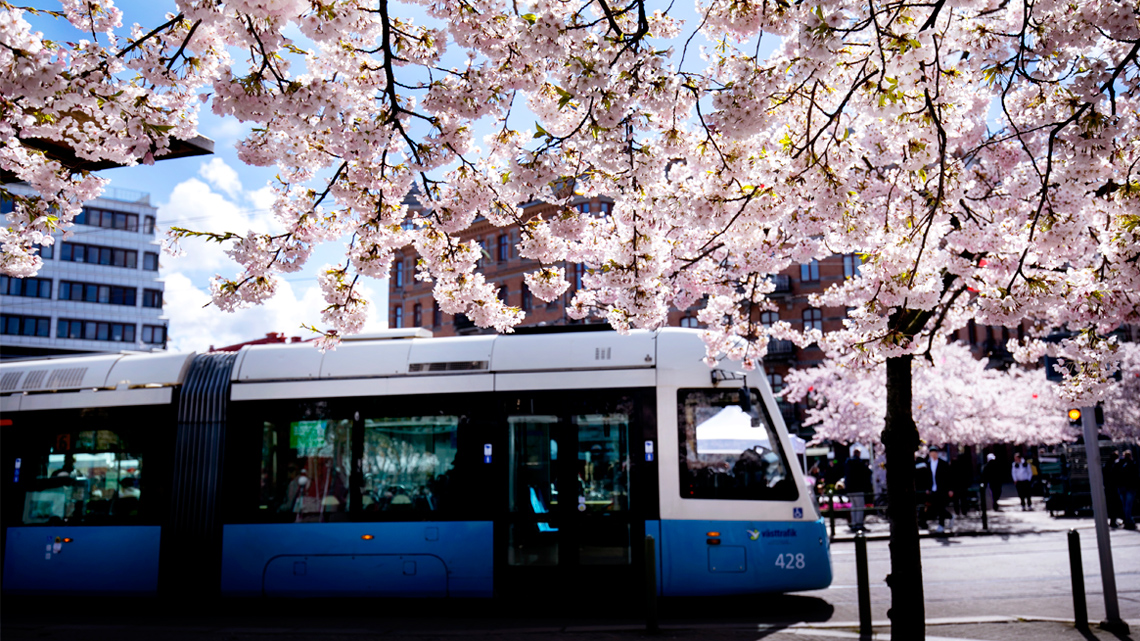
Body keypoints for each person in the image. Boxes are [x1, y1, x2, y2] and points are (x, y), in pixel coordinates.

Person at [917, 446, 954, 533]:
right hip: (933, 489)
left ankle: (941, 525)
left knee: (941, 506)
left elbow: (949, 477)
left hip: (942, 489)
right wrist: (927, 488)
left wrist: (950, 489)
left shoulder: (943, 464)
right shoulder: (928, 464)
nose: (933, 455)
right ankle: (950, 516)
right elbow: (927, 478)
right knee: (935, 507)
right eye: (931, 453)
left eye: (935, 453)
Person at [845, 449, 873, 531]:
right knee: (860, 507)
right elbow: (867, 472)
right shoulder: (860, 463)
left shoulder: (848, 463)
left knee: (853, 507)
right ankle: (859, 524)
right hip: (858, 488)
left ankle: (853, 524)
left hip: (850, 489)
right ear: (858, 454)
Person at [1114, 450, 1138, 530]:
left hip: (1121, 487)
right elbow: (1135, 476)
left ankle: (1127, 519)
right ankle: (1128, 521)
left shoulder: (1119, 464)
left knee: (1124, 505)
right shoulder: (1132, 464)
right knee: (1128, 505)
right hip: (1130, 487)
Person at [1104, 450, 1122, 528]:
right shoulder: (1114, 465)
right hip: (1113, 487)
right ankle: (1113, 521)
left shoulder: (1107, 465)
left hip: (1108, 487)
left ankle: (1113, 520)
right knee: (1114, 505)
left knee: (1111, 505)